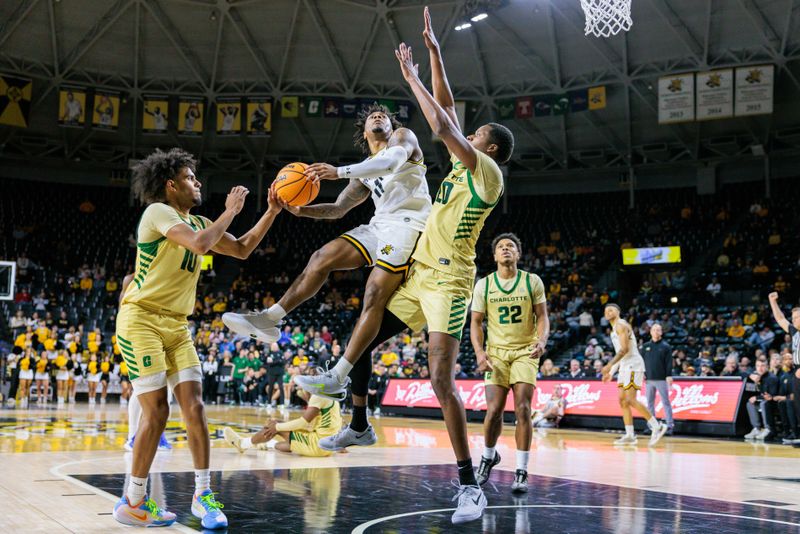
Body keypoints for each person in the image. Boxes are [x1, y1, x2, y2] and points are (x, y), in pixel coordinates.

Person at [294, 7, 515, 524]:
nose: (471, 131)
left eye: (478, 132)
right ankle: (359, 421)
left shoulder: (487, 177)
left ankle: (469, 486)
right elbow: (449, 107)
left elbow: (440, 121)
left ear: (491, 147)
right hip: (419, 270)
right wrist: (435, 53)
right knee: (364, 333)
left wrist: (411, 76)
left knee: (440, 378)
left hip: (451, 282)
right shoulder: (468, 164)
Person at [112, 148, 282, 529]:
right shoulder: (159, 212)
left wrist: (271, 211)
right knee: (156, 412)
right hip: (140, 320)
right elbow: (200, 244)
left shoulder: (200, 220)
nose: (197, 182)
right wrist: (231, 211)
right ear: (171, 185)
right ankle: (134, 501)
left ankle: (202, 496)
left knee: (195, 407)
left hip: (176, 325)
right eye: (190, 178)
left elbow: (240, 249)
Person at [223, 99, 430, 359]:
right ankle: (270, 318)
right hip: (380, 225)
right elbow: (338, 208)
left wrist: (337, 171)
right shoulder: (364, 170)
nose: (378, 117)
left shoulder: (402, 138)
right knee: (321, 258)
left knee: (374, 293)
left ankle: (344, 368)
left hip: (410, 225)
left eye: (383, 116)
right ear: (364, 132)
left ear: (392, 126)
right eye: (372, 117)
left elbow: (389, 164)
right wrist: (301, 210)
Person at [470, 233, 548, 493]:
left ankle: (522, 471)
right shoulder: (484, 285)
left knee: (523, 408)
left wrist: (542, 339)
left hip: (525, 352)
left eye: (511, 246)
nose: (506, 249)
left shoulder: (531, 281)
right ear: (494, 256)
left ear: (518, 254)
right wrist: (480, 352)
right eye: (501, 247)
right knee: (493, 411)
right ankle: (488, 456)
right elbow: (476, 322)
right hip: (496, 353)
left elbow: (543, 316)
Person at [223, 367, 343, 457]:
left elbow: (303, 422)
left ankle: (242, 444)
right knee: (283, 440)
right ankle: (268, 444)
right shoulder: (331, 395)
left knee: (274, 425)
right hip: (328, 447)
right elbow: (338, 421)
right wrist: (341, 445)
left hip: (317, 445)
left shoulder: (318, 396)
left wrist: (277, 427)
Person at [601, 304, 667, 446]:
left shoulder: (621, 325)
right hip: (625, 366)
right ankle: (630, 435)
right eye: (606, 310)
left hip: (633, 365)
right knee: (622, 400)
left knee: (631, 399)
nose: (608, 312)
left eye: (611, 309)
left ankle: (657, 426)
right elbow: (620, 352)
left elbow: (624, 350)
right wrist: (611, 373)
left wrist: (609, 365)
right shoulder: (613, 330)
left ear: (618, 312)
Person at [641, 323, 674, 434]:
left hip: (661, 379)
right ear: (650, 332)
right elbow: (641, 361)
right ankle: (651, 426)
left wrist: (669, 375)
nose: (656, 332)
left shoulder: (666, 346)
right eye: (654, 330)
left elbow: (669, 362)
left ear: (661, 332)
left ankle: (669, 426)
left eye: (658, 330)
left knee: (666, 402)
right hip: (649, 379)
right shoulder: (645, 346)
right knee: (649, 403)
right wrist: (642, 373)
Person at [768, 292, 800, 366]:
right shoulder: (795, 331)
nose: (793, 320)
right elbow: (781, 319)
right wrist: (772, 301)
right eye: (792, 318)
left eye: (796, 317)